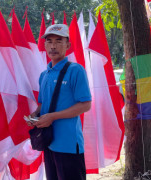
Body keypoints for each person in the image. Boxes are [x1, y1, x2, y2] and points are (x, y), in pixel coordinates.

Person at [28, 24, 92, 180]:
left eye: (58, 40)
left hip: (68, 143)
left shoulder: (75, 70)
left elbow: (85, 104)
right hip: (48, 141)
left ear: (67, 45)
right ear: (44, 45)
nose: (53, 46)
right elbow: (43, 104)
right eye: (49, 41)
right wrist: (35, 115)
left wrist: (52, 117)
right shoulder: (44, 74)